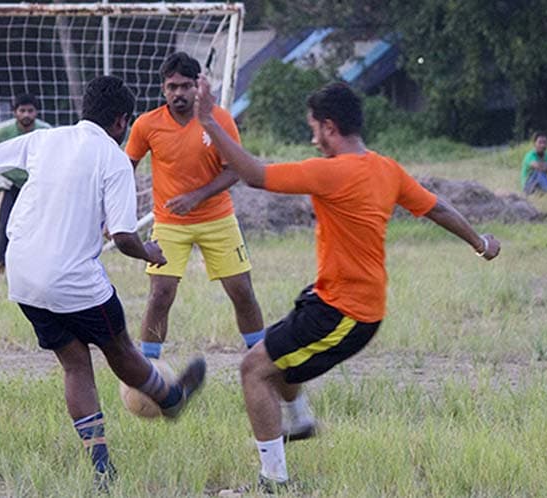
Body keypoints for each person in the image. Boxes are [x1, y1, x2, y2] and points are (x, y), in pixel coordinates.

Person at [0, 76, 206, 491]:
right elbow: (123, 236)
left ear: (85, 109)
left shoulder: (45, 140)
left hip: (23, 274)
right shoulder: (115, 159)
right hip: (71, 278)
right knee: (119, 349)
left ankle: (102, 468)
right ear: (122, 121)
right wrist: (149, 252)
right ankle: (171, 399)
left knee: (74, 362)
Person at [194, 77, 501, 492]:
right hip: (333, 300)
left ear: (330, 127)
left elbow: (252, 175)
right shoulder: (386, 169)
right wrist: (481, 243)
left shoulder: (330, 172)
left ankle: (274, 481)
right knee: (276, 350)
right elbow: (438, 208)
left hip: (345, 314)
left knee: (253, 369)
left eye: (314, 129)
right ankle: (299, 420)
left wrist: (208, 121)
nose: (313, 139)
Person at [125, 52, 316, 441]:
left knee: (242, 291)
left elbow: (235, 171)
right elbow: (125, 166)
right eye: (172, 87)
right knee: (160, 294)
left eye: (186, 86)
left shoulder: (219, 120)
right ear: (163, 88)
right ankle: (149, 371)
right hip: (170, 223)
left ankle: (261, 360)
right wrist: (116, 211)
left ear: (199, 86)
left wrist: (197, 196)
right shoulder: (147, 125)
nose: (179, 93)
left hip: (217, 218)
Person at [0, 93, 52, 274]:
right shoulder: (3, 130)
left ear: (36, 112)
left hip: (34, 185)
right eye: (22, 110)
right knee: (4, 223)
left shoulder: (45, 131)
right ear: (15, 112)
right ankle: (1, 265)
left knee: (37, 224)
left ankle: (33, 264)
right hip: (9, 184)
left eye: (30, 110)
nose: (26, 114)